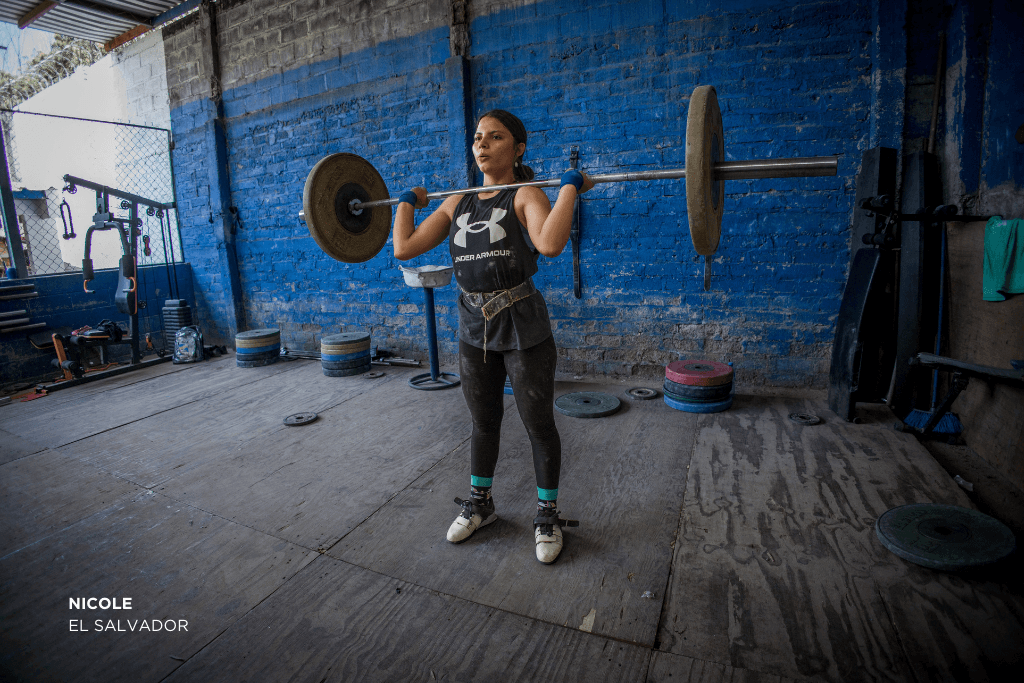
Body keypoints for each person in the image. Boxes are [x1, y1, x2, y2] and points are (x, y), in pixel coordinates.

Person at [392, 110, 593, 564]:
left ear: (518, 149)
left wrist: (568, 188)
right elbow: (405, 248)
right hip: (473, 328)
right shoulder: (456, 201)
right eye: (478, 137)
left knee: (537, 424)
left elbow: (550, 243)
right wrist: (405, 203)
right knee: (484, 423)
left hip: (523, 326)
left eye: (495, 137)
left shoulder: (524, 194)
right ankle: (481, 504)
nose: (482, 144)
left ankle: (547, 514)